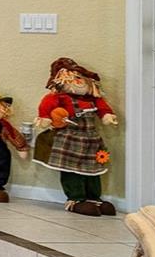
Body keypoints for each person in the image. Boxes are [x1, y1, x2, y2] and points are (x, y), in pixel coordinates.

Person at [34, 57, 118, 216]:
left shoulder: (93, 98)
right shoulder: (60, 97)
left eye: (80, 78)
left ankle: (94, 198)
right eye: (73, 79)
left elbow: (103, 108)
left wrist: (107, 115)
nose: (78, 82)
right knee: (72, 170)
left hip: (91, 138)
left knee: (93, 169)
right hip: (70, 138)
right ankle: (76, 199)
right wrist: (44, 117)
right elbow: (47, 104)